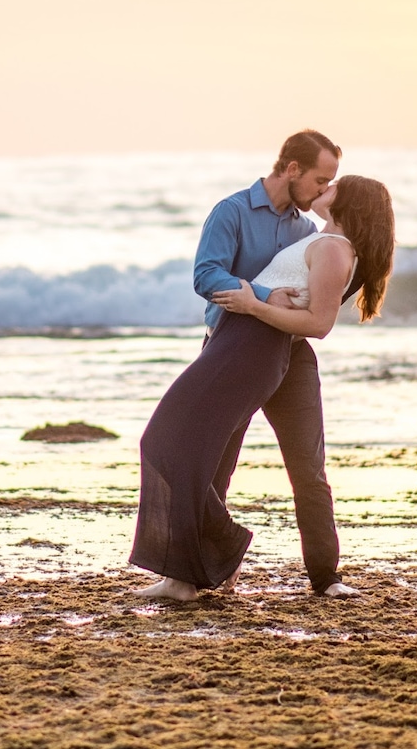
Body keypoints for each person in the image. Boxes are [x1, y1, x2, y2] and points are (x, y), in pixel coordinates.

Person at [129, 132, 395, 601]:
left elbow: (320, 299)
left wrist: (274, 307)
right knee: (214, 460)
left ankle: (324, 577)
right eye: (319, 178)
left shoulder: (312, 232)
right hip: (232, 344)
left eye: (331, 182)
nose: (321, 188)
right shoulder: (231, 212)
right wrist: (263, 295)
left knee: (307, 466)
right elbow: (205, 276)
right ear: (292, 169)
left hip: (283, 351)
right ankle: (200, 566)